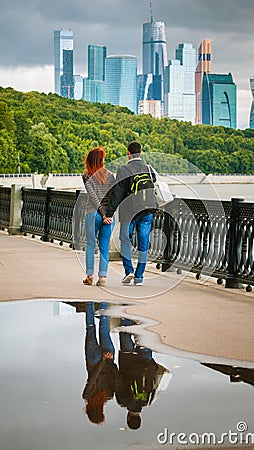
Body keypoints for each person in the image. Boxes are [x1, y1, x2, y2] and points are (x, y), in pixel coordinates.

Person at [106, 141, 156, 286]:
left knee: (125, 240)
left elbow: (117, 193)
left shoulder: (123, 170)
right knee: (143, 244)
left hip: (129, 213)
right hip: (147, 211)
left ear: (128, 153)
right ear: (140, 152)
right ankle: (139, 276)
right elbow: (154, 182)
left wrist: (109, 213)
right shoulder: (148, 168)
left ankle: (129, 271)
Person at [116, 318, 167, 430]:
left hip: (146, 362)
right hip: (128, 359)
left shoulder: (148, 401)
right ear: (128, 418)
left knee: (145, 332)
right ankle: (126, 307)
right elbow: (118, 379)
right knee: (125, 331)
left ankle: (142, 313)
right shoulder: (123, 401)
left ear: (140, 417)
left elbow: (155, 381)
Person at [82, 146, 115, 287]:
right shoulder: (110, 176)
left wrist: (101, 214)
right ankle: (102, 278)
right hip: (107, 216)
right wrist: (109, 215)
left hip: (93, 214)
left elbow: (93, 197)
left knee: (90, 245)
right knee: (104, 247)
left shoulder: (87, 176)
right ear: (101, 160)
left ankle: (89, 276)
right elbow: (114, 197)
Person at [82, 301, 119, 425]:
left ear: (101, 411)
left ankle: (103, 300)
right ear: (89, 411)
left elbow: (114, 374)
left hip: (107, 359)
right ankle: (89, 300)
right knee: (90, 328)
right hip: (94, 360)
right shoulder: (87, 395)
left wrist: (108, 360)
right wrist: (102, 361)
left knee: (104, 328)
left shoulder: (108, 395)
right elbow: (93, 377)